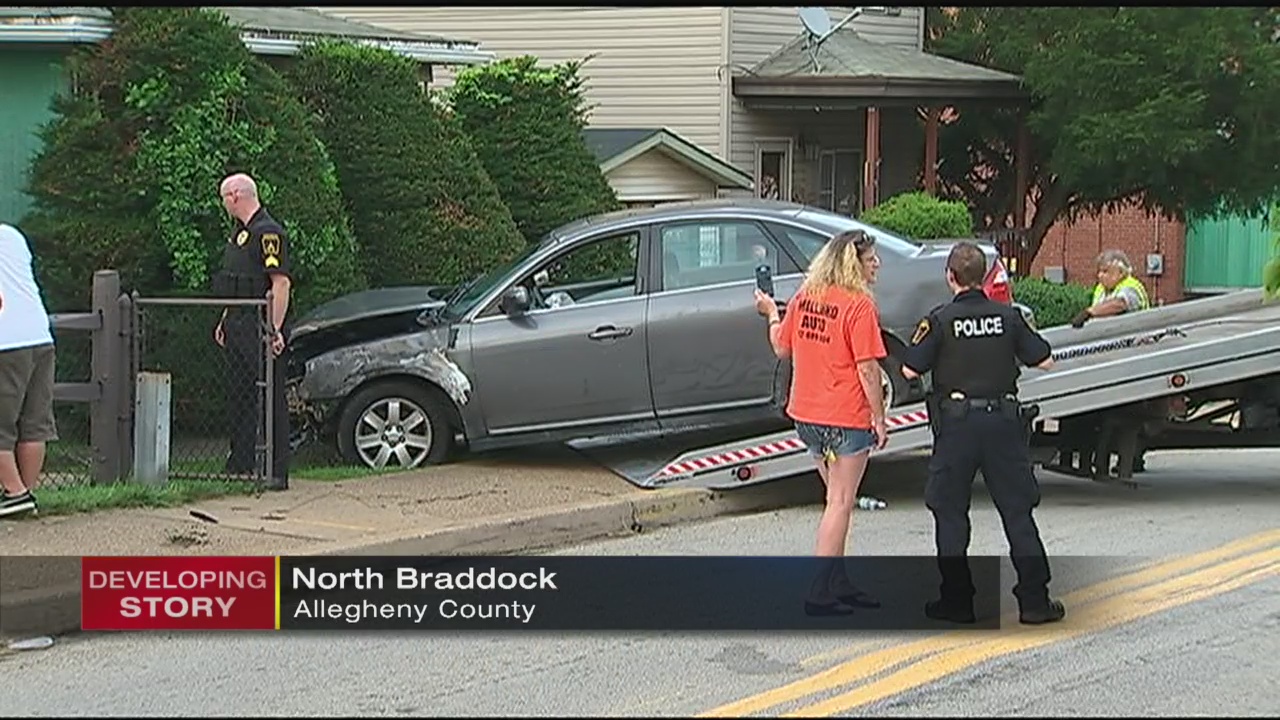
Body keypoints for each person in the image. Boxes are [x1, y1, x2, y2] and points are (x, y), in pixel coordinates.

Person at [900, 241, 1065, 626]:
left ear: (950, 277)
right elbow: (1044, 359)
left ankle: (957, 602)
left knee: (950, 514)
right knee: (1017, 513)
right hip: (1003, 425)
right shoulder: (1008, 317)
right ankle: (1034, 602)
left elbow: (909, 369)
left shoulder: (939, 321)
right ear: (983, 277)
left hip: (957, 426)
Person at [754, 229, 889, 616]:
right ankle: (818, 592)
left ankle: (838, 582)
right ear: (852, 264)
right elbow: (867, 369)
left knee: (835, 501)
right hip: (845, 416)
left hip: (807, 416)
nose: (877, 264)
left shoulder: (805, 296)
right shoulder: (859, 306)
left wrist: (771, 313)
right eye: (871, 259)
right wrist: (879, 418)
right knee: (840, 503)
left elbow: (781, 347)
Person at [212, 173, 292, 491]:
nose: (224, 205)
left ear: (235, 196)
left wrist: (274, 329)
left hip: (259, 323)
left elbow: (280, 283)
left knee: (270, 395)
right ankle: (240, 463)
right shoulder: (240, 234)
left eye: (224, 198)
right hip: (237, 322)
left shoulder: (268, 233)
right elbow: (237, 282)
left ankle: (276, 470)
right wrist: (225, 318)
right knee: (241, 394)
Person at [1063, 249, 1163, 479]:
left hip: (1133, 360)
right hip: (1111, 360)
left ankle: (1130, 459)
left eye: (1106, 271)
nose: (1100, 276)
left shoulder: (1131, 287)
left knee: (1124, 416)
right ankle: (1103, 460)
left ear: (1120, 271)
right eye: (1099, 271)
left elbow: (1120, 304)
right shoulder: (1102, 289)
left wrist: (1090, 312)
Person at [0, 223, 57, 518]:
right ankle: (25, 495)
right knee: (34, 423)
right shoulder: (12, 235)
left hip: (5, 341)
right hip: (39, 335)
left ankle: (15, 492)